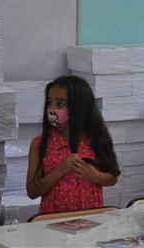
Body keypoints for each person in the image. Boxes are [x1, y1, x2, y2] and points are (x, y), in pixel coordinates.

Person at [26, 75, 120, 213]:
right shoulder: (39, 144)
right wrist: (61, 170)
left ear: (79, 107)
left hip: (91, 219)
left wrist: (94, 175)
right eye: (49, 102)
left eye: (60, 104)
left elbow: (113, 178)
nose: (51, 109)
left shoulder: (96, 139)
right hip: (52, 221)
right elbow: (32, 191)